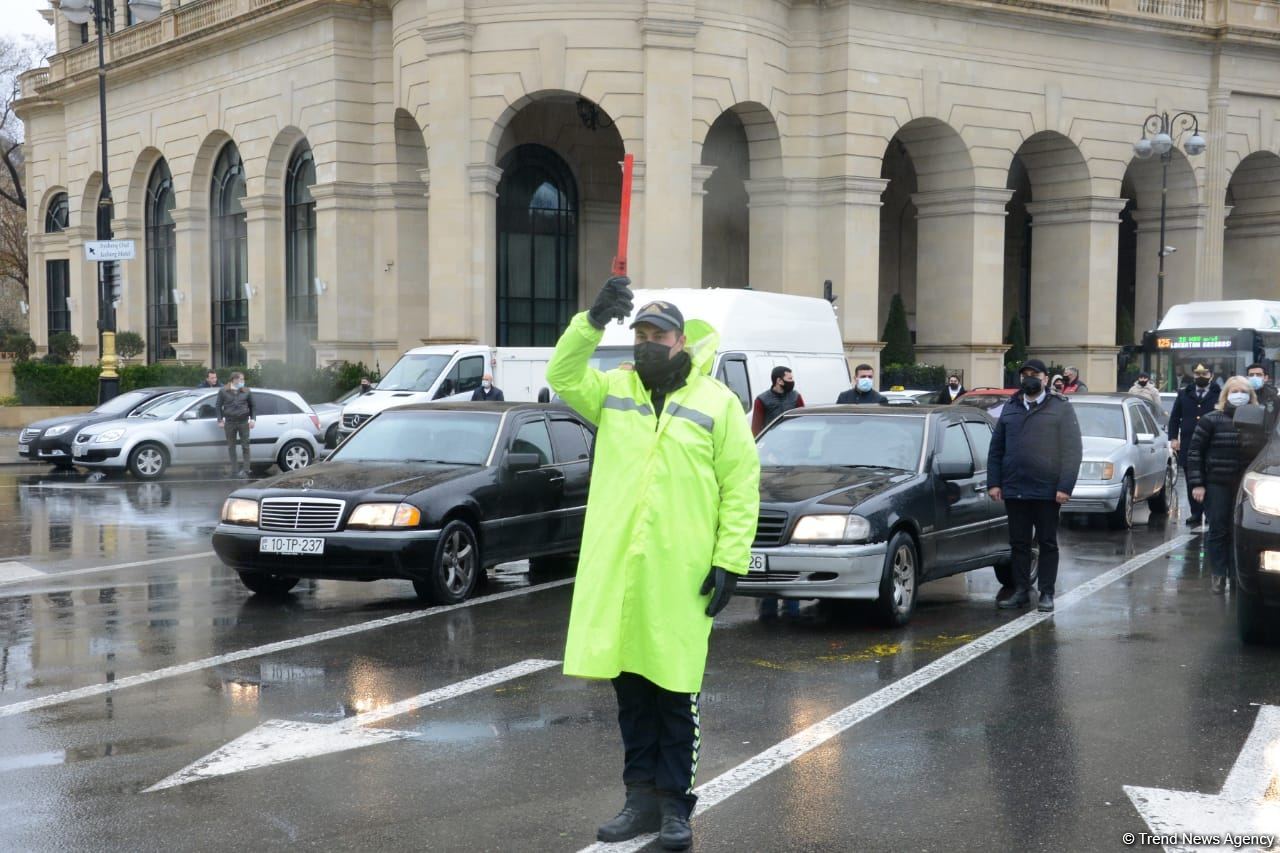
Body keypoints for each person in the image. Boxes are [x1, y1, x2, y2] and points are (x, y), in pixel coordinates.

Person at [546, 278, 760, 851]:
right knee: (632, 696)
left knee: (674, 696)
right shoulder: (614, 391)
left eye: (657, 334)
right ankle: (638, 801)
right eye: (639, 333)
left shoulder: (718, 403)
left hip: (680, 577)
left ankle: (674, 808)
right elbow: (562, 376)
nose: (646, 343)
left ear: (682, 340)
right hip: (621, 576)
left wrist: (729, 561)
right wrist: (589, 322)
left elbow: (741, 486)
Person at [987, 359, 1083, 613]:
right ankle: (1020, 590)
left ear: (1045, 378)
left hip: (1047, 490)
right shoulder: (1010, 406)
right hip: (1015, 487)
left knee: (1047, 542)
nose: (1029, 378)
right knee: (1018, 543)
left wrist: (1065, 486)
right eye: (1025, 374)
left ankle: (1047, 593)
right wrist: (994, 482)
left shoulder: (1060, 407)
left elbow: (1073, 451)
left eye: (1034, 374)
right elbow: (996, 449)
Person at [1187, 376, 1265, 593]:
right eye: (1234, 390)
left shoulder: (1259, 421)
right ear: (1226, 395)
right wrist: (1197, 484)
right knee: (1218, 529)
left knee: (1240, 530)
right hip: (1217, 483)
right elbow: (1195, 453)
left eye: (1243, 391)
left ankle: (1236, 574)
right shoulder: (1211, 419)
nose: (1238, 395)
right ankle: (1219, 574)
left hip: (1248, 487)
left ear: (1251, 396)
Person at [1168, 364, 1220, 528]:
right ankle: (1195, 513)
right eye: (1197, 374)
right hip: (1189, 443)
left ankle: (1210, 513)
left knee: (1210, 480)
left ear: (1211, 375)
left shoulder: (1219, 394)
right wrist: (1173, 438)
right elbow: (1175, 418)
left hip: (1212, 444)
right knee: (1192, 480)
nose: (1201, 376)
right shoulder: (1184, 393)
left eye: (1204, 373)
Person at [216, 372, 256, 478]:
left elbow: (253, 406)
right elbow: (218, 406)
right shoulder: (223, 390)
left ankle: (246, 470)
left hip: (243, 421)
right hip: (230, 422)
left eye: (243, 380)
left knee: (245, 446)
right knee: (231, 447)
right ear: (234, 380)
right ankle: (234, 470)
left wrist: (253, 419)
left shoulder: (246, 391)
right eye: (241, 380)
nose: (243, 382)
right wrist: (220, 420)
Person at [751, 366, 804, 437]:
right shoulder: (761, 400)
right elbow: (756, 429)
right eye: (790, 379)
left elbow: (803, 422)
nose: (792, 381)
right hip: (772, 442)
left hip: (793, 440)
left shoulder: (796, 396)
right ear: (779, 381)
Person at [1246, 363, 1279, 433]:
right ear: (1247, 378)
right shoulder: (1241, 394)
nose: (1255, 377)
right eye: (1251, 375)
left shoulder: (1274, 397)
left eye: (1259, 375)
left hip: (1267, 437)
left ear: (1265, 378)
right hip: (1245, 436)